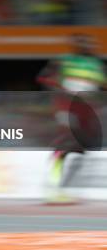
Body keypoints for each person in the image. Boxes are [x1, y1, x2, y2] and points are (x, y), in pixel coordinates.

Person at [37, 33, 105, 202]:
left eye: (89, 41)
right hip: (66, 105)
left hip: (87, 110)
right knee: (65, 141)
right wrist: (62, 90)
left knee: (80, 149)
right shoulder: (64, 60)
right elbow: (43, 78)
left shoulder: (97, 64)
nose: (86, 45)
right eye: (82, 41)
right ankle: (52, 187)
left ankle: (61, 187)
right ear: (74, 44)